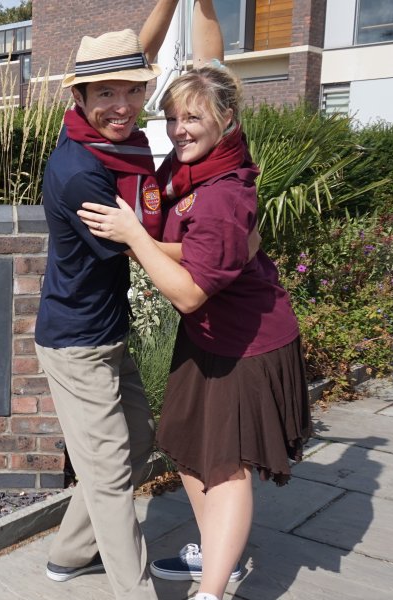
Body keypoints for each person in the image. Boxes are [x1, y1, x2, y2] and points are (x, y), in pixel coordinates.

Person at [77, 3, 312, 600]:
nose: (179, 129)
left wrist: (134, 236)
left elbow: (186, 294)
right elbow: (207, 58)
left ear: (227, 119)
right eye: (174, 117)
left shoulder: (222, 193)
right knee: (186, 446)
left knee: (225, 467)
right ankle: (218, 557)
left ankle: (211, 590)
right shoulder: (199, 165)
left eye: (193, 119)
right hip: (211, 337)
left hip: (244, 346)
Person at [33, 1, 186, 594]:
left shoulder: (112, 139)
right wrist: (219, 250)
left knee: (139, 442)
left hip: (109, 328)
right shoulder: (82, 173)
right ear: (80, 100)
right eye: (105, 95)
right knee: (106, 475)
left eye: (131, 91)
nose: (121, 106)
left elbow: (141, 53)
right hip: (76, 344)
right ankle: (135, 588)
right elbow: (135, 250)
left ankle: (69, 554)